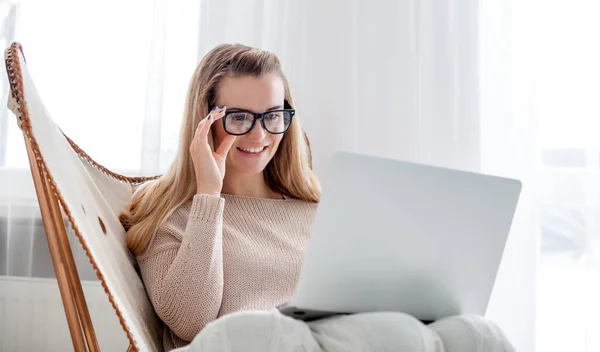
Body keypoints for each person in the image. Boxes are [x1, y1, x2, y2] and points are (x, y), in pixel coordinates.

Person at [120, 43, 516, 352]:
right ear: (203, 122)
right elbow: (190, 321)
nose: (259, 136)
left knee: (474, 332)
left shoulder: (319, 211)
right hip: (250, 341)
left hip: (341, 337)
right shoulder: (170, 215)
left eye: (273, 116)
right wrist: (208, 195)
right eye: (239, 117)